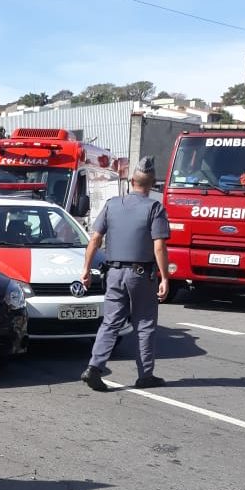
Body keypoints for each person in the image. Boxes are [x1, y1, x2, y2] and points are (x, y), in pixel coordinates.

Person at [79, 156, 170, 392]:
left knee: (110, 322)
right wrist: (165, 277)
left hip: (114, 273)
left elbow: (95, 240)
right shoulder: (154, 208)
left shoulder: (112, 204)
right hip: (141, 275)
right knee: (145, 323)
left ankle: (94, 368)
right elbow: (159, 246)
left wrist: (86, 270)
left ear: (131, 181)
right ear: (151, 184)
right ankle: (145, 375)